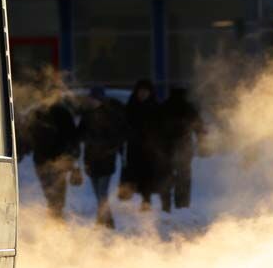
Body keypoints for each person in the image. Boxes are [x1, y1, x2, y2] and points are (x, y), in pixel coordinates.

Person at [27, 95, 82, 219]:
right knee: (57, 194)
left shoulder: (37, 113)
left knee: (51, 194)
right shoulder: (62, 113)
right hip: (56, 161)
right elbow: (73, 138)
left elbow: (28, 135)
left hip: (45, 160)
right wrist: (74, 158)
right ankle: (56, 218)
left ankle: (55, 218)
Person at [79, 87, 126, 228]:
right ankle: (107, 220)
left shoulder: (110, 115)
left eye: (93, 98)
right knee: (99, 194)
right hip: (92, 159)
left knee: (102, 193)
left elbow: (118, 136)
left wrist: (110, 149)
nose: (91, 101)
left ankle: (103, 222)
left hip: (105, 160)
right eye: (91, 98)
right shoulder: (87, 115)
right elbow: (80, 133)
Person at [124, 79, 171, 211]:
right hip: (135, 148)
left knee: (150, 175)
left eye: (145, 92)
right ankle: (142, 199)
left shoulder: (156, 108)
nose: (143, 94)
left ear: (150, 93)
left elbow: (162, 128)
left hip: (151, 148)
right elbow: (124, 125)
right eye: (141, 91)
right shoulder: (130, 107)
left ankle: (147, 200)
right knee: (136, 174)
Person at [161, 87, 202, 210]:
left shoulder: (164, 107)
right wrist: (201, 139)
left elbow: (157, 127)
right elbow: (198, 126)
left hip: (167, 147)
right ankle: (182, 203)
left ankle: (166, 203)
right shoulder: (189, 108)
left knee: (166, 175)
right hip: (184, 146)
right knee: (184, 175)